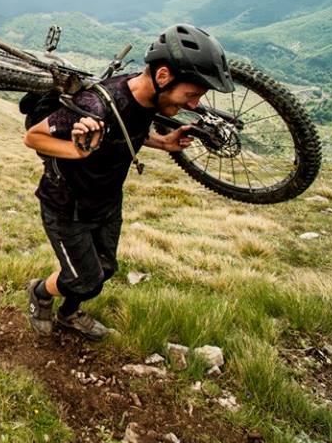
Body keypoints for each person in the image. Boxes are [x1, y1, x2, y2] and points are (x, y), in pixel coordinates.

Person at [23, 24, 234, 339]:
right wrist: (77, 151)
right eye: (192, 94)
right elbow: (33, 137)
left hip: (106, 201)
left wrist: (163, 143)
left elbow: (128, 127)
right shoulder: (96, 105)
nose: (194, 105)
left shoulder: (149, 98)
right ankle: (40, 293)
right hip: (67, 207)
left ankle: (69, 314)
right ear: (163, 77)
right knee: (84, 278)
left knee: (105, 269)